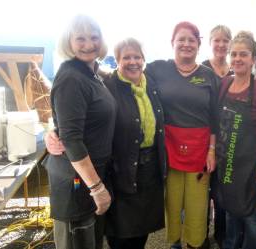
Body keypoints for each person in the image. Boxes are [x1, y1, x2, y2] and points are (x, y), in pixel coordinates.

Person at [45, 37, 166, 249]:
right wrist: (53, 132)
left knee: (141, 234)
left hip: (150, 174)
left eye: (137, 57)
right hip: (121, 172)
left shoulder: (152, 85)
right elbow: (77, 116)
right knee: (121, 235)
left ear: (144, 60)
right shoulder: (107, 86)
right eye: (126, 57)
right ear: (117, 60)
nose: (133, 62)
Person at [145, 21, 219, 249]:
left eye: (192, 40)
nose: (186, 44)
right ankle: (175, 242)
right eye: (181, 40)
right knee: (173, 200)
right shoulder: (157, 69)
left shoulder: (209, 76)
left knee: (197, 203)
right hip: (169, 148)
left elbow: (215, 118)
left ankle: (195, 243)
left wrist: (212, 150)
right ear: (172, 43)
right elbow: (127, 77)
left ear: (198, 44)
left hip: (200, 150)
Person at [44, 15, 116, 249]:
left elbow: (63, 119)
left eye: (94, 38)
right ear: (69, 42)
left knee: (91, 241)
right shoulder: (72, 78)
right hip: (77, 180)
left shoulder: (92, 73)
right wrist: (97, 188)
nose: (88, 44)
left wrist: (52, 128)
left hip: (91, 174)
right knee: (78, 240)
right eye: (80, 38)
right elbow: (72, 139)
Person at [216, 31, 256, 249]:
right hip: (228, 161)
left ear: (253, 58)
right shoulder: (224, 84)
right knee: (230, 209)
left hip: (254, 164)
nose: (237, 59)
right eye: (233, 54)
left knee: (250, 214)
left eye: (243, 54)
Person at [202, 24, 233, 248]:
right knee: (202, 189)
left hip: (229, 138)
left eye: (225, 40)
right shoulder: (201, 69)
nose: (221, 44)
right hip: (203, 138)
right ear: (210, 42)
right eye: (217, 40)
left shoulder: (237, 69)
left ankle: (221, 235)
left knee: (223, 190)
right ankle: (200, 234)